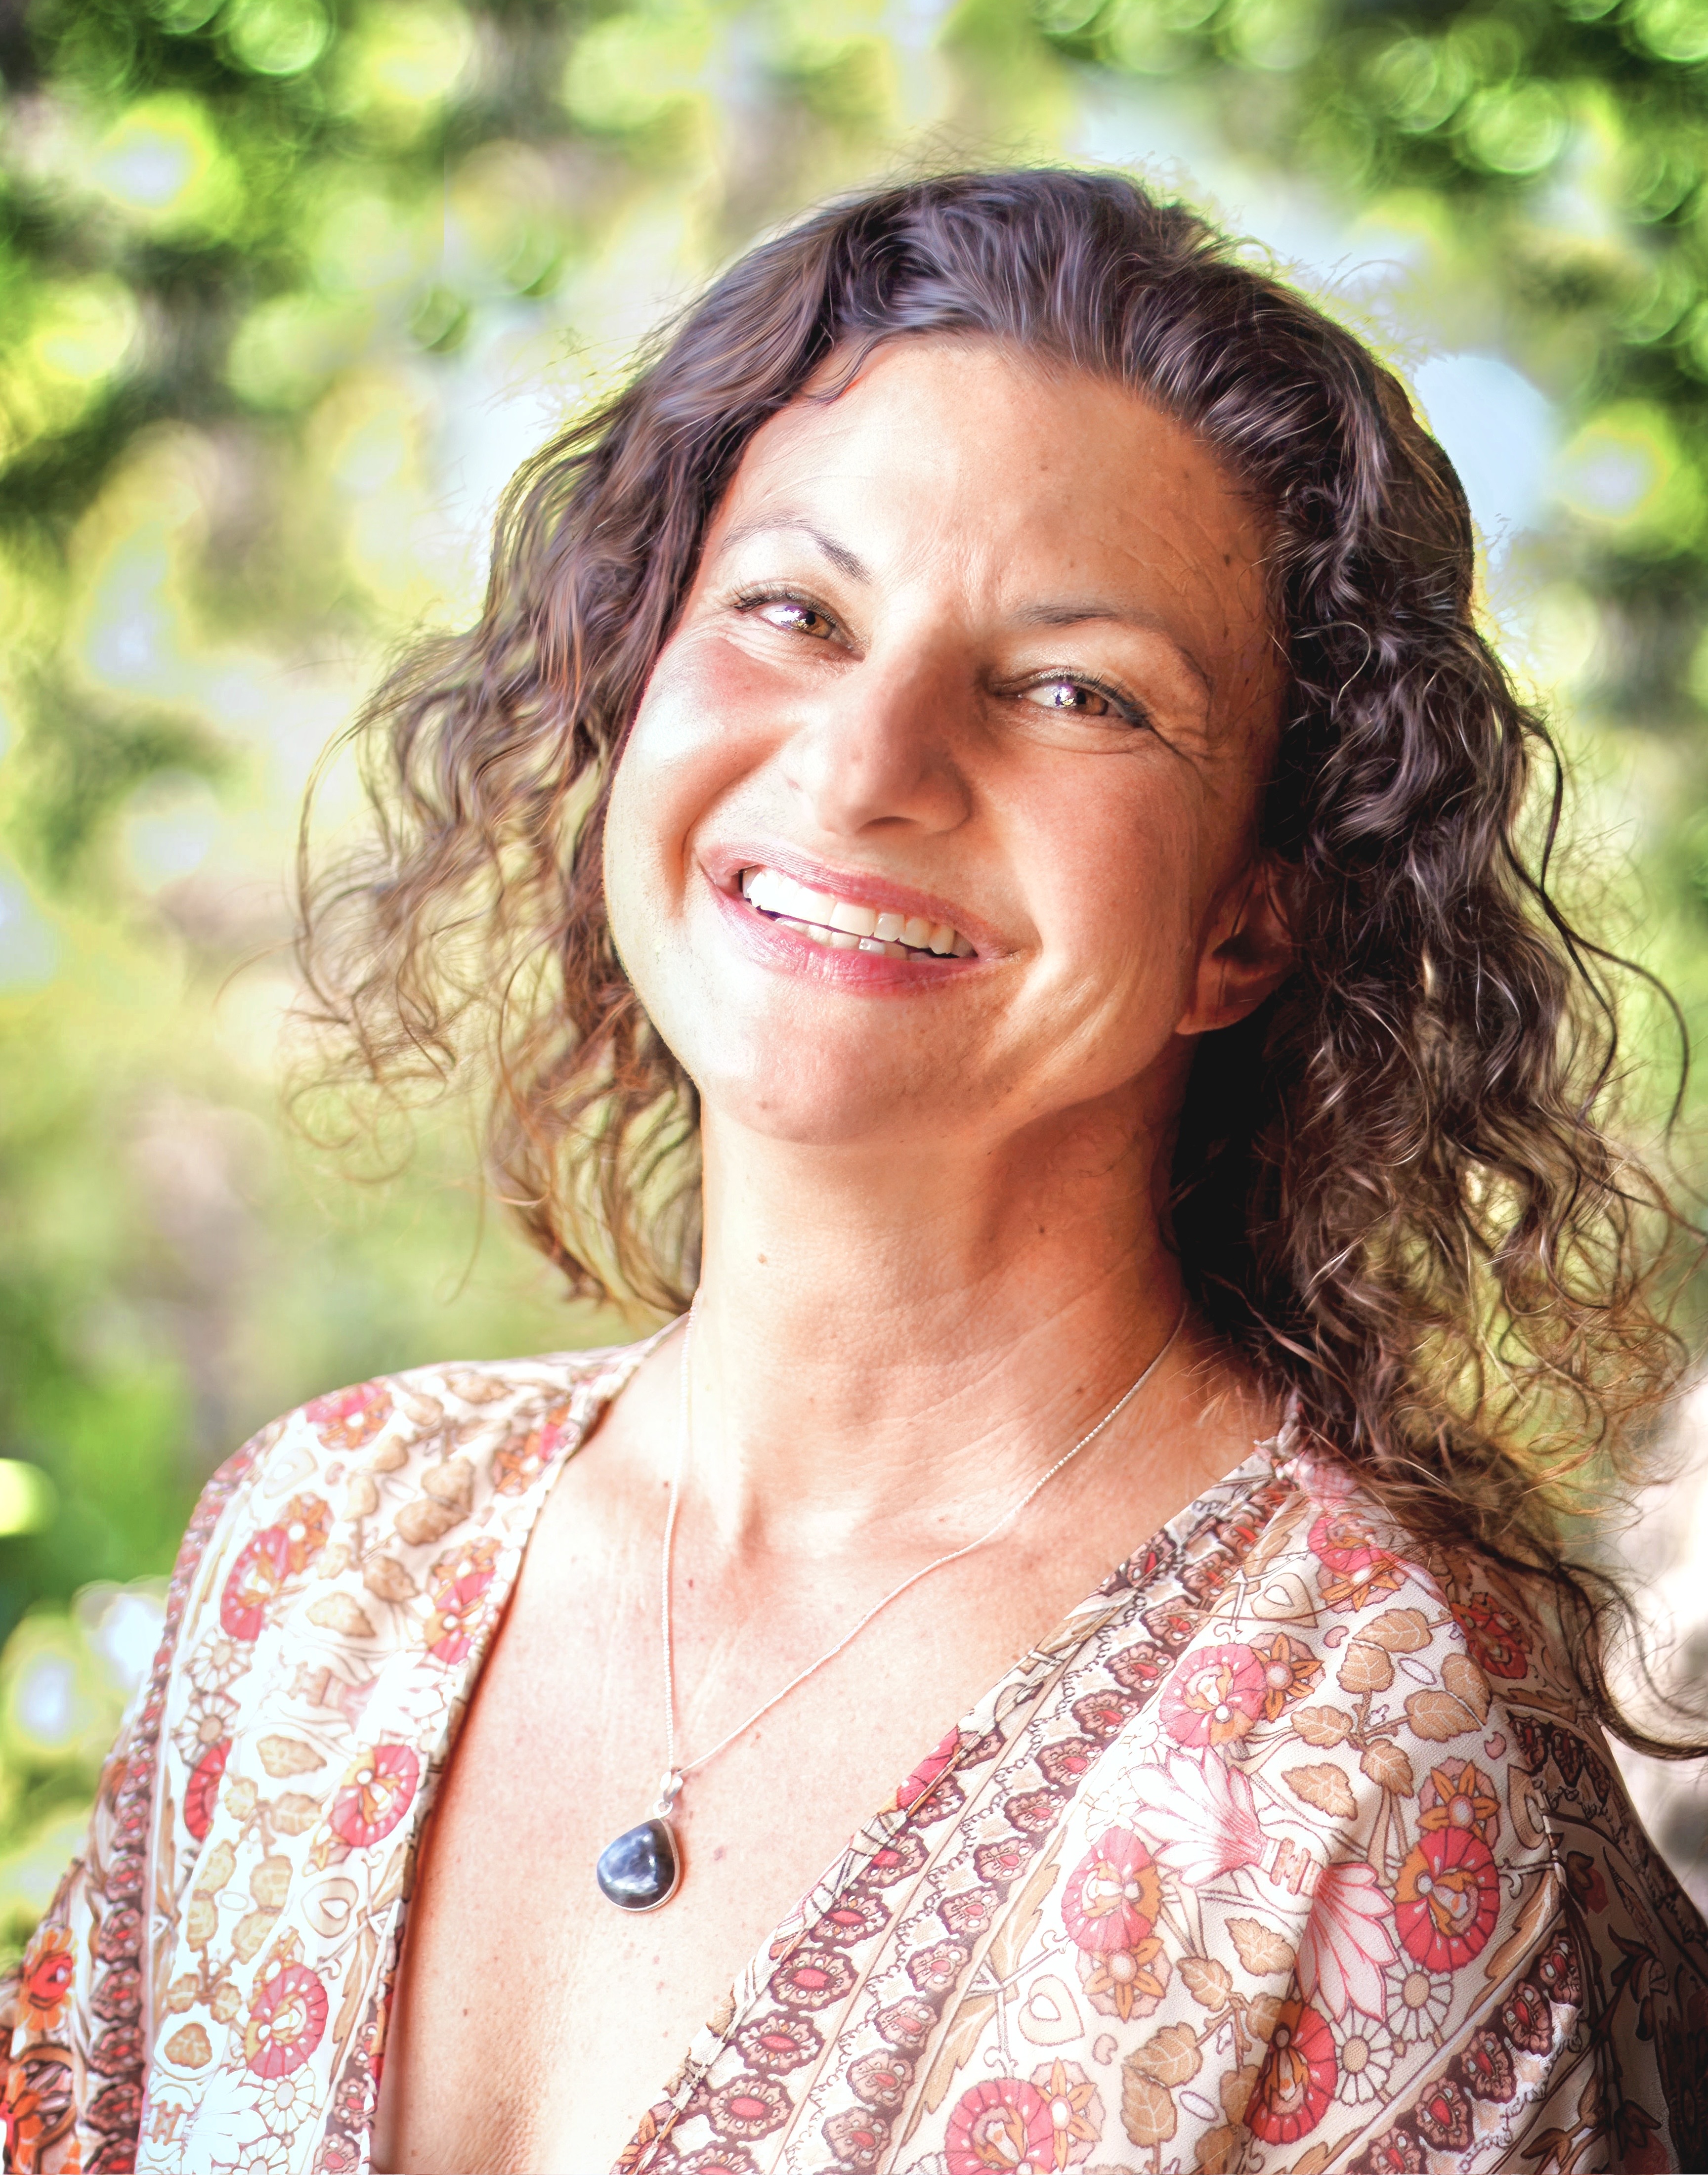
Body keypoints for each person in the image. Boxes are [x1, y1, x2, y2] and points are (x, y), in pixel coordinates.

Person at [3, 168, 1704, 2175]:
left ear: (1251, 915)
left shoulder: (1369, 1760)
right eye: (796, 613)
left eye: (1076, 690)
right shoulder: (314, 1551)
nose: (868, 763)